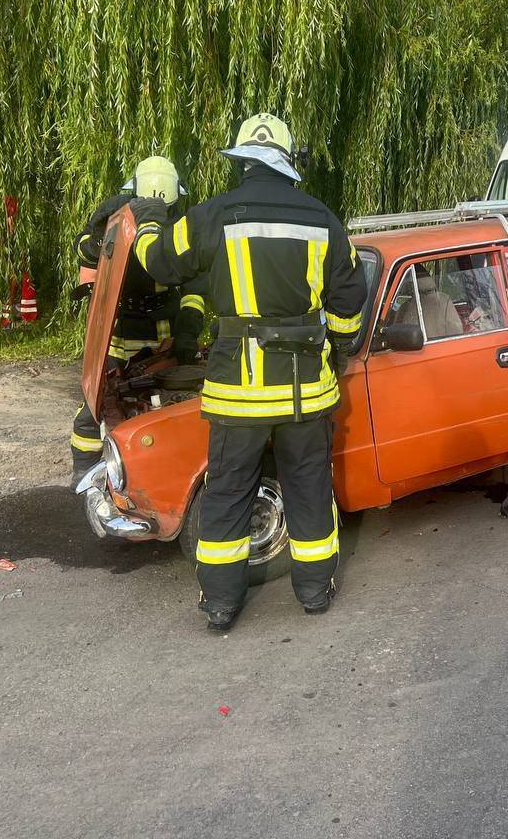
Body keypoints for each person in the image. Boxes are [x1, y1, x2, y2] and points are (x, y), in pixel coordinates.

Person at [131, 114, 367, 631]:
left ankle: (220, 604)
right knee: (308, 487)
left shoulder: (213, 214)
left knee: (229, 492)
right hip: (307, 389)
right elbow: (350, 297)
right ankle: (313, 592)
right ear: (287, 161)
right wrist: (343, 343)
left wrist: (149, 218)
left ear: (241, 161)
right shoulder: (322, 219)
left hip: (238, 392)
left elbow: (158, 263)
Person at [69, 156, 207, 483]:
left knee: (164, 412)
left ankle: (159, 476)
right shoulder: (119, 225)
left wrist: (188, 333)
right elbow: (86, 253)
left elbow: (195, 289)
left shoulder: (180, 229)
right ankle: (86, 473)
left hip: (164, 343)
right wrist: (99, 231)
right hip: (117, 342)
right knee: (95, 408)